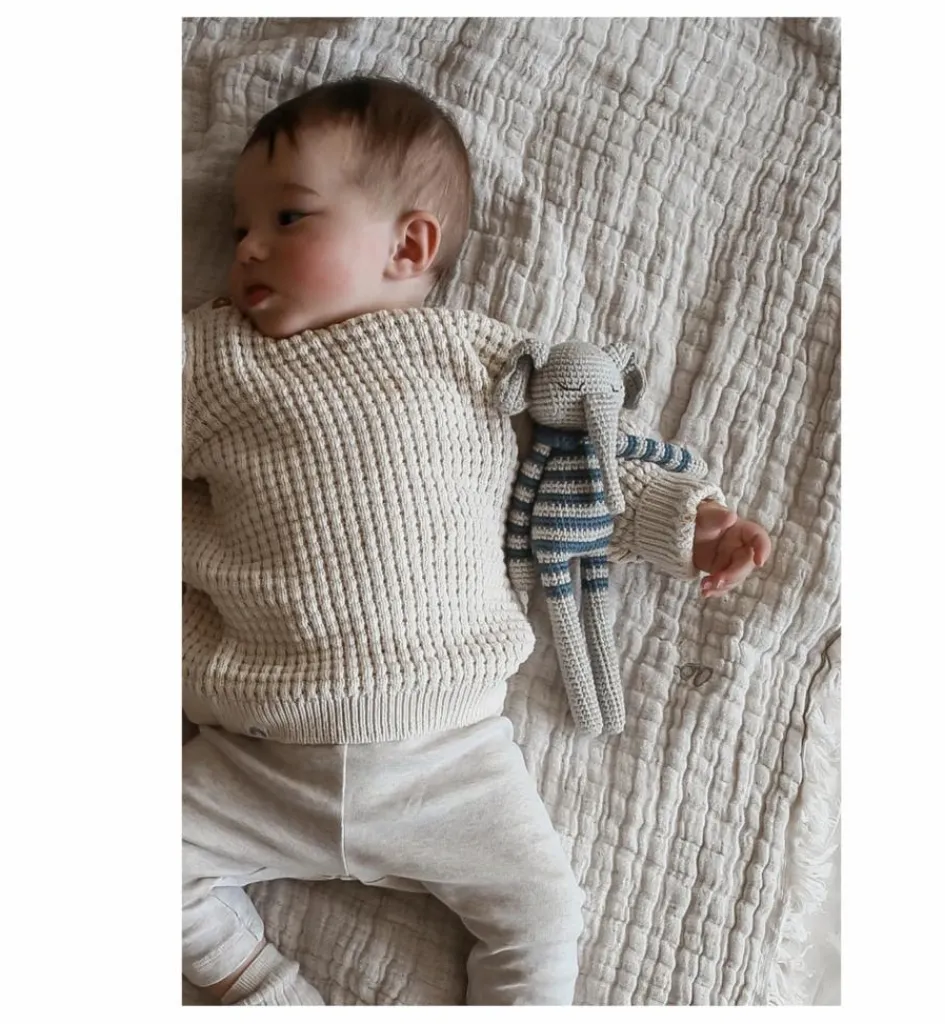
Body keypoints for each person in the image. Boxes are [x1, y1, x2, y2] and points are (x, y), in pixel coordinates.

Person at [182, 75, 771, 1006]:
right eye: (238, 227)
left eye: (288, 218)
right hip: (258, 747)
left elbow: (581, 471)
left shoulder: (482, 358)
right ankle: (268, 994)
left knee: (544, 913)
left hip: (448, 755)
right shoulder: (212, 357)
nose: (248, 246)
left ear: (409, 244)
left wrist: (688, 521)